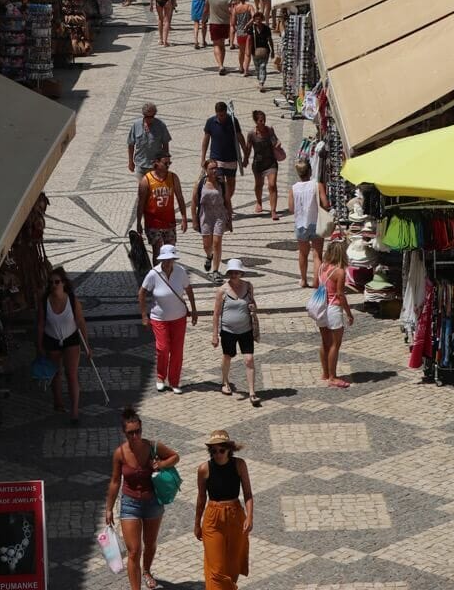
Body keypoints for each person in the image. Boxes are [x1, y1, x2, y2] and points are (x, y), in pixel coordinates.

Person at [105, 406, 178, 590]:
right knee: (133, 551)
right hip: (130, 504)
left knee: (150, 543)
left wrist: (160, 464)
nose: (135, 436)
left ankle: (146, 570)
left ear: (142, 429)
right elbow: (115, 481)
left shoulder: (152, 446)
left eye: (138, 431)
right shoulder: (119, 454)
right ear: (124, 433)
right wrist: (108, 508)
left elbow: (175, 457)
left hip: (153, 502)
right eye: (130, 433)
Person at [195, 431, 253, 590]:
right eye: (213, 451)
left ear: (229, 449)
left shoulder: (239, 465)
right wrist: (197, 524)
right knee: (217, 570)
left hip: (235, 515)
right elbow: (201, 499)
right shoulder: (204, 469)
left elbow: (248, 493)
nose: (218, 454)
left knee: (233, 567)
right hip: (213, 518)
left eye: (221, 450)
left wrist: (249, 517)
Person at [139, 245, 198, 394]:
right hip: (159, 318)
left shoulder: (180, 271)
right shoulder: (153, 274)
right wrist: (144, 315)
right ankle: (160, 377)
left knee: (177, 351)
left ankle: (174, 381)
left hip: (179, 317)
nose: (167, 262)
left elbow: (189, 289)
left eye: (170, 259)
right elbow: (142, 293)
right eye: (165, 260)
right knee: (163, 348)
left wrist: (194, 309)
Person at [35, 266, 91, 423]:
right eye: (51, 282)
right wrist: (39, 346)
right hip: (52, 339)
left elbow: (81, 322)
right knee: (56, 373)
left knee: (71, 374)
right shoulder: (44, 302)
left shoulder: (72, 300)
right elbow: (40, 324)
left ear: (64, 283)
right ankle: (58, 402)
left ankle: (74, 411)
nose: (53, 285)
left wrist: (86, 344)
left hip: (71, 339)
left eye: (57, 282)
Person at [212, 259, 259, 404]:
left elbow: (254, 304)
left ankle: (252, 392)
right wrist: (214, 334)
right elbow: (216, 314)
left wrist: (253, 307)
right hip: (228, 331)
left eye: (236, 272)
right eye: (231, 272)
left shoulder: (248, 286)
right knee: (227, 356)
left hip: (246, 330)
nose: (234, 274)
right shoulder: (222, 290)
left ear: (241, 273)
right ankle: (225, 382)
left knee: (249, 359)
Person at [315, 236, 354, 389]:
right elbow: (340, 295)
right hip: (333, 309)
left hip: (321, 308)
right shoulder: (339, 272)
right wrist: (349, 313)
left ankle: (325, 373)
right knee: (334, 345)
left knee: (324, 342)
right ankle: (333, 377)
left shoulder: (322, 267)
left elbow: (316, 285)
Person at [137, 154, 188, 263]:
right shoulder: (146, 180)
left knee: (170, 251)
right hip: (153, 223)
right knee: (158, 250)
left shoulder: (173, 178)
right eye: (165, 163)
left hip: (169, 222)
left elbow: (180, 198)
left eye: (169, 163)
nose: (168, 165)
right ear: (157, 163)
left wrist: (184, 218)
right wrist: (138, 223)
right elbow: (141, 203)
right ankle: (157, 274)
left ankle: (168, 274)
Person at [289, 160, 329, 288]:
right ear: (310, 171)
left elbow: (291, 208)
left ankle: (303, 280)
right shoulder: (317, 186)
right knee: (317, 254)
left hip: (301, 224)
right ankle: (316, 282)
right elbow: (326, 204)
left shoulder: (294, 188)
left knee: (303, 253)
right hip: (316, 223)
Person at [192, 160, 232, 282]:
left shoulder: (222, 184)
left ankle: (215, 271)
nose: (215, 170)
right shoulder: (200, 184)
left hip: (219, 215)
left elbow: (227, 202)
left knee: (217, 242)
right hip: (205, 217)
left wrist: (229, 219)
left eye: (216, 168)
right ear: (206, 170)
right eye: (212, 168)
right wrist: (194, 220)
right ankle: (209, 256)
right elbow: (194, 203)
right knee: (207, 245)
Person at [201, 101, 247, 202]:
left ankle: (226, 202)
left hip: (231, 159)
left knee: (231, 184)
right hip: (216, 159)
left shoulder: (233, 121)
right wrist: (203, 158)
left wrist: (245, 156)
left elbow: (240, 138)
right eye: (219, 115)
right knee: (218, 182)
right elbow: (206, 140)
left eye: (223, 115)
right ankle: (221, 203)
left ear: (226, 112)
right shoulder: (210, 122)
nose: (221, 117)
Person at [246, 110, 282, 220]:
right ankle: (259, 202)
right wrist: (245, 159)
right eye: (261, 120)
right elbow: (248, 148)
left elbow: (275, 141)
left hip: (271, 162)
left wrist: (278, 144)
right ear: (256, 121)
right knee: (258, 185)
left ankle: (273, 211)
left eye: (264, 120)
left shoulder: (270, 130)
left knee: (272, 185)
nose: (263, 122)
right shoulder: (252, 134)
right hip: (258, 164)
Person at [127, 103, 171, 177]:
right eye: (147, 117)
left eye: (152, 117)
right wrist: (130, 162)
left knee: (154, 188)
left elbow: (165, 144)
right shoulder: (136, 125)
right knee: (142, 187)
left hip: (156, 165)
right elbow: (131, 144)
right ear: (143, 115)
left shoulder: (161, 125)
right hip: (140, 164)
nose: (149, 119)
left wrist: (165, 163)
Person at [203, 0, 234, 75]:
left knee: (216, 45)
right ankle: (222, 64)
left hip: (214, 23)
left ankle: (220, 65)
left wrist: (204, 19)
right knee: (222, 45)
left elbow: (206, 9)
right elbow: (231, 11)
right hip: (225, 23)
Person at [230, 0, 254, 74]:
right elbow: (254, 17)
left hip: (240, 32)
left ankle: (241, 67)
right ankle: (246, 70)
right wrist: (247, 24)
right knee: (248, 52)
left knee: (241, 51)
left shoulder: (235, 9)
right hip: (248, 32)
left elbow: (233, 23)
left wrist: (237, 27)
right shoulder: (249, 7)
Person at [250, 11, 275, 90]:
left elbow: (270, 39)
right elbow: (247, 37)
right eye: (256, 19)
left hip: (265, 50)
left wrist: (272, 50)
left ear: (262, 19)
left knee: (263, 66)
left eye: (259, 19)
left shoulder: (266, 28)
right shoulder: (252, 28)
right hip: (254, 51)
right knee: (257, 67)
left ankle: (261, 82)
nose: (258, 21)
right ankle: (259, 78)